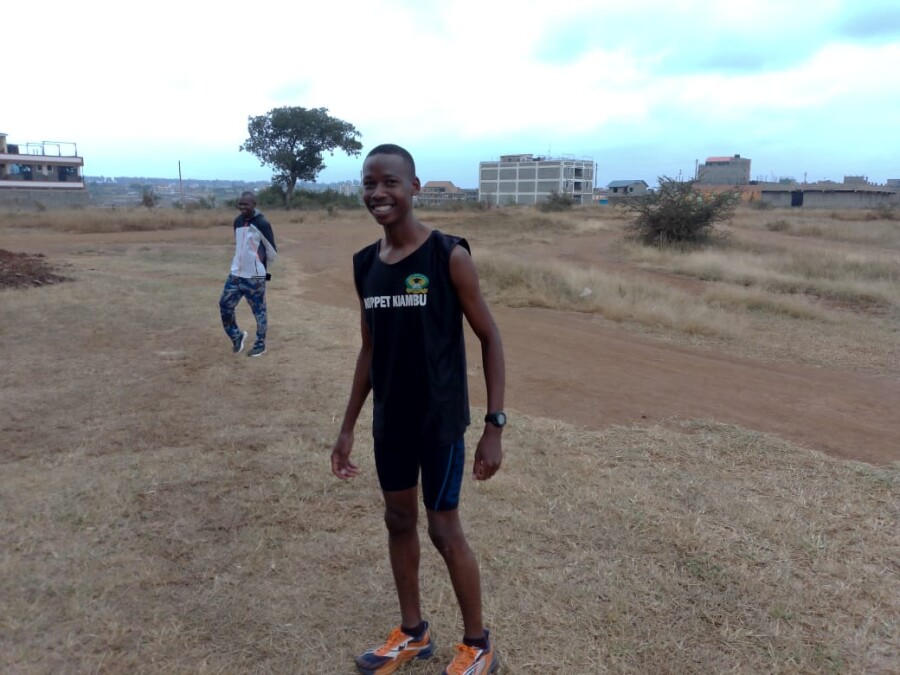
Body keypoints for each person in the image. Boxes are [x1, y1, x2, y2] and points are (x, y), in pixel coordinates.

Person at [331, 144, 506, 675]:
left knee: (443, 528)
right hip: (392, 423)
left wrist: (494, 426)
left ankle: (477, 645)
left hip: (440, 422)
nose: (378, 193)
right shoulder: (365, 265)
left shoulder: (448, 255)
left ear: (414, 187)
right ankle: (413, 634)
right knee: (398, 519)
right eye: (369, 183)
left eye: (389, 182)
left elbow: (491, 338)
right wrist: (348, 426)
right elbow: (369, 350)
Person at [218, 191, 277, 357]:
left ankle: (260, 344)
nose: (242, 207)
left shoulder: (262, 223)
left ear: (254, 205)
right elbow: (240, 246)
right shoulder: (237, 222)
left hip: (255, 276)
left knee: (259, 311)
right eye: (240, 204)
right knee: (225, 305)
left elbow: (271, 251)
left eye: (246, 204)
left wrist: (261, 269)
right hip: (236, 274)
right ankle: (236, 336)